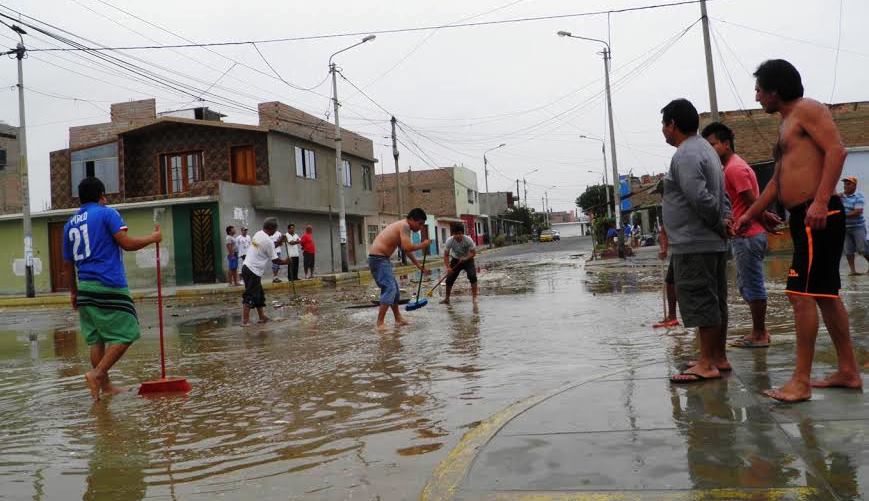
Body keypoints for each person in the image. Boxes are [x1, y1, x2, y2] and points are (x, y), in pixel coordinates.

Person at [735, 59, 862, 401]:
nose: (757, 96)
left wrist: (820, 202)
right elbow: (777, 181)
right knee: (824, 295)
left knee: (800, 294)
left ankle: (800, 382)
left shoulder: (808, 109)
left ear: (776, 90)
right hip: (804, 217)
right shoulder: (786, 125)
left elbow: (837, 150)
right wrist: (751, 214)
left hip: (816, 214)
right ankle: (849, 371)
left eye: (760, 89)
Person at [63, 176, 161, 402]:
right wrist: (153, 238)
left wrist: (74, 292)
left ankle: (103, 387)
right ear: (102, 196)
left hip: (85, 287)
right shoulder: (107, 213)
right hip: (108, 283)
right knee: (128, 332)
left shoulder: (70, 224)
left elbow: (67, 264)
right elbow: (126, 244)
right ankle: (97, 374)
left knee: (97, 338)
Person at [660, 98, 731, 384]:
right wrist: (723, 222)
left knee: (701, 301)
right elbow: (722, 196)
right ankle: (716, 356)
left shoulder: (686, 154)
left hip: (695, 242)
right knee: (715, 301)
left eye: (663, 125)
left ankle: (706, 363)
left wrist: (718, 224)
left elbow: (701, 198)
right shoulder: (706, 150)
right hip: (709, 241)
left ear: (672, 124)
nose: (663, 131)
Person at [702, 122, 779, 348]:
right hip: (744, 235)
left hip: (748, 235)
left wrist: (764, 219)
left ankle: (759, 333)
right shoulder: (730, 168)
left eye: (713, 144)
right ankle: (758, 330)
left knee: (753, 284)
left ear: (726, 144)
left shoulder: (735, 168)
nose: (710, 150)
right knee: (746, 284)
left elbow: (750, 200)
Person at [367, 208, 432, 330]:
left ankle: (398, 318)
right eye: (420, 224)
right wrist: (423, 245)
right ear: (412, 219)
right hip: (378, 258)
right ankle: (380, 323)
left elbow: (405, 249)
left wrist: (418, 265)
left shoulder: (404, 226)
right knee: (390, 288)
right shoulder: (405, 226)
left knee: (395, 290)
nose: (420, 227)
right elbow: (408, 246)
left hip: (382, 259)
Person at [241, 217, 290, 326]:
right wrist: (286, 262)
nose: (276, 231)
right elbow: (275, 260)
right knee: (250, 294)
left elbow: (269, 247)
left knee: (258, 294)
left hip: (248, 268)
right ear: (272, 229)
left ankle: (262, 317)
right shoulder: (267, 241)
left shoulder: (258, 234)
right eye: (276, 229)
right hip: (253, 270)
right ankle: (245, 321)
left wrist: (279, 242)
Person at [441, 223, 478, 305]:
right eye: (455, 234)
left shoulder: (468, 240)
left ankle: (474, 298)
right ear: (453, 234)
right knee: (449, 279)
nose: (458, 236)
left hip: (468, 259)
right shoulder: (449, 241)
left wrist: (465, 258)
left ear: (463, 233)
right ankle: (447, 299)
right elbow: (446, 255)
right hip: (455, 259)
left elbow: (473, 253)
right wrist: (448, 268)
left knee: (472, 276)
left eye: (460, 234)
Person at [654, 223, 680, 328]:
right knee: (670, 282)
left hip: (694, 247)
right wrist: (664, 249)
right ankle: (672, 317)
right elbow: (664, 231)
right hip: (679, 250)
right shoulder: (670, 210)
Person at [840, 176, 866, 275]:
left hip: (858, 226)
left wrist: (841, 215)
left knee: (862, 249)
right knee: (848, 250)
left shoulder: (859, 196)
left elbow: (858, 212)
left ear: (854, 185)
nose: (845, 185)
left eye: (848, 183)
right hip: (845, 227)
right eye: (845, 183)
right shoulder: (841, 196)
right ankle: (853, 270)